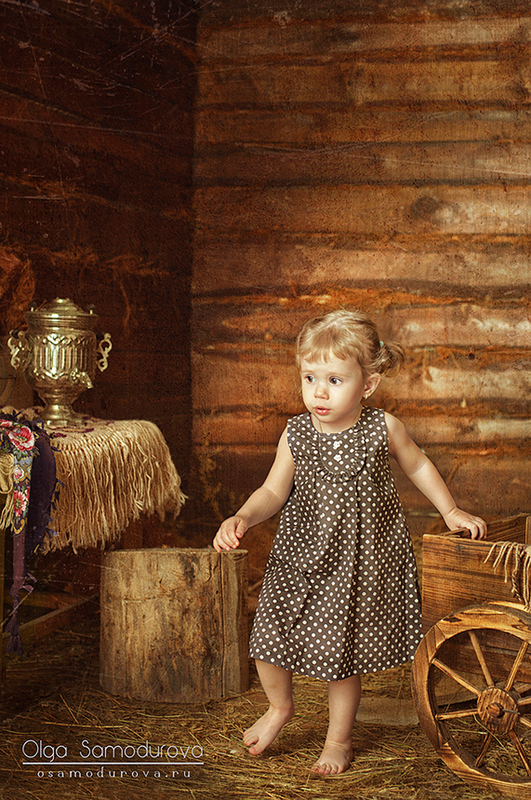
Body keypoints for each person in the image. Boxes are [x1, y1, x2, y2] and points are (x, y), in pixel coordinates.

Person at [213, 308, 487, 776]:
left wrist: (450, 511)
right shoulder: (297, 433)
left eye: (334, 380)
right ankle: (280, 707)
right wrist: (243, 516)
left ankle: (338, 740)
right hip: (300, 558)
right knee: (267, 635)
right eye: (310, 378)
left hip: (357, 564)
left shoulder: (383, 428)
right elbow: (273, 490)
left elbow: (418, 465)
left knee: (342, 656)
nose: (318, 392)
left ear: (368, 384)